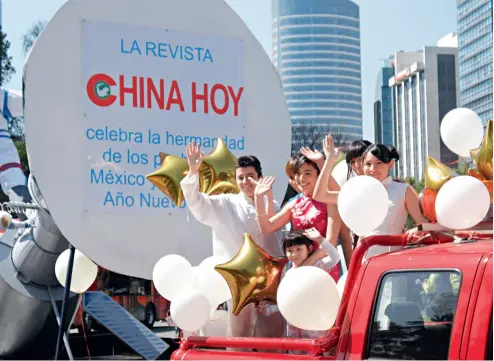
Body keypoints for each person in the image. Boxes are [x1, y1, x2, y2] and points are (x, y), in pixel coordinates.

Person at [180, 142, 285, 339]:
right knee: (240, 333)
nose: (246, 181)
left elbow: (279, 242)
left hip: (269, 280)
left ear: (260, 178)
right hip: (240, 280)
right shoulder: (226, 203)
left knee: (272, 333)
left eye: (251, 177)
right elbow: (198, 203)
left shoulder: (274, 205)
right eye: (241, 178)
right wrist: (193, 172)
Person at [313, 138, 429, 259]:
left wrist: (414, 231)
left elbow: (422, 223)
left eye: (378, 163)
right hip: (364, 259)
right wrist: (329, 161)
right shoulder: (357, 191)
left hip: (393, 260)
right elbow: (320, 195)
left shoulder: (403, 190)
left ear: (390, 164)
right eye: (368, 164)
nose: (373, 169)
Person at [253, 153, 343, 282]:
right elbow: (267, 227)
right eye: (297, 173)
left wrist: (304, 267)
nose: (301, 178)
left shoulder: (329, 201)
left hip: (323, 267)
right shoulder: (295, 202)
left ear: (319, 176)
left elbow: (331, 243)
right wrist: (259, 198)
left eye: (307, 173)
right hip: (297, 264)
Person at [256, 228, 340, 352]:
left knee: (317, 355)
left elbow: (335, 257)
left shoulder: (318, 266)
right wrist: (271, 309)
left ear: (309, 249)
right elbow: (290, 302)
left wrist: (320, 240)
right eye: (290, 251)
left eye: (299, 249)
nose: (294, 254)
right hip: (294, 332)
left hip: (315, 330)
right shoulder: (288, 274)